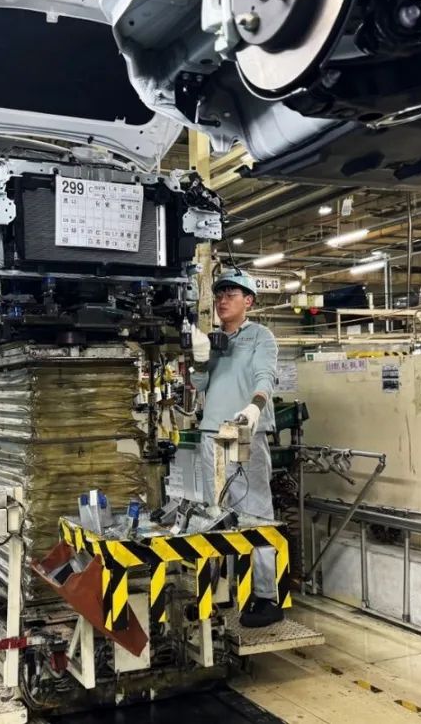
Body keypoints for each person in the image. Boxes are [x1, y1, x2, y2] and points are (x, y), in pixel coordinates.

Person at [189, 269, 282, 628]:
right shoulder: (214, 340)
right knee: (215, 513)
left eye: (231, 294)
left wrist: (254, 408)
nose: (222, 300)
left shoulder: (260, 336)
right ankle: (218, 592)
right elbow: (200, 384)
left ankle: (266, 596)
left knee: (254, 511)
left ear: (249, 301)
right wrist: (199, 357)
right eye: (219, 294)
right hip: (212, 432)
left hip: (242, 430)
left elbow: (265, 377)